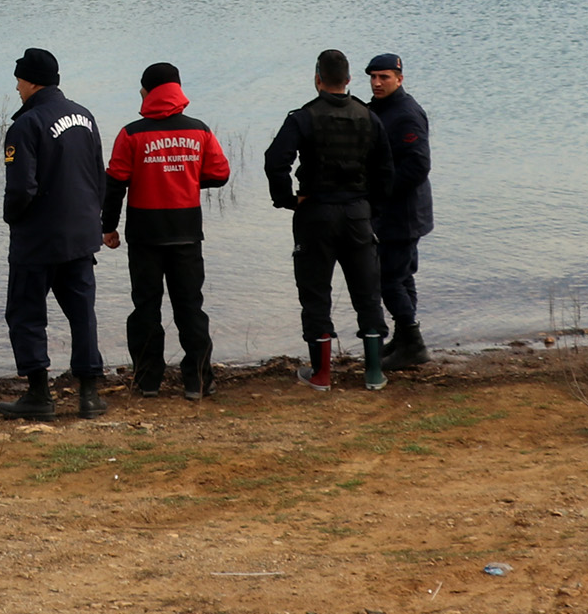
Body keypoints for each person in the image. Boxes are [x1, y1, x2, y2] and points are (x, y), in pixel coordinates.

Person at [262, 49, 394, 392]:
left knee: (315, 293)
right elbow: (386, 172)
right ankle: (374, 373)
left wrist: (287, 200)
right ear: (349, 80)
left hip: (316, 214)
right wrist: (371, 208)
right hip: (357, 214)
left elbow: (275, 161)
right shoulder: (368, 117)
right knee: (367, 292)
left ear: (318, 79)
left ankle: (322, 375)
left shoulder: (303, 117)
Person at [100, 61, 231, 401]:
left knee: (145, 306)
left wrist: (108, 227)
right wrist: (186, 174)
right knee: (190, 307)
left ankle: (147, 381)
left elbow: (114, 184)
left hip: (145, 233)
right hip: (187, 232)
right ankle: (198, 381)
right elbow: (219, 175)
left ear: (146, 92)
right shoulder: (199, 131)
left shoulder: (131, 133)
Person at [0, 46, 110, 420]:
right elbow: (99, 176)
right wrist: (93, 221)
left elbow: (20, 190)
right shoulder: (85, 116)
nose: (16, 88)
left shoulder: (25, 126)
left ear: (30, 81)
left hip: (38, 240)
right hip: (80, 236)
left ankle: (39, 395)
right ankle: (89, 396)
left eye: (18, 80)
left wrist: (11, 219)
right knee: (82, 314)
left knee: (26, 313)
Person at [363, 53, 432, 370]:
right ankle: (406, 338)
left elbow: (418, 165)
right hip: (392, 212)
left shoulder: (405, 114)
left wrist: (380, 192)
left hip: (402, 213)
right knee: (401, 278)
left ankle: (413, 343)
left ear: (399, 78)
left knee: (389, 279)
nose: (377, 83)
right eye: (373, 77)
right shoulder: (379, 108)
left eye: (384, 77)